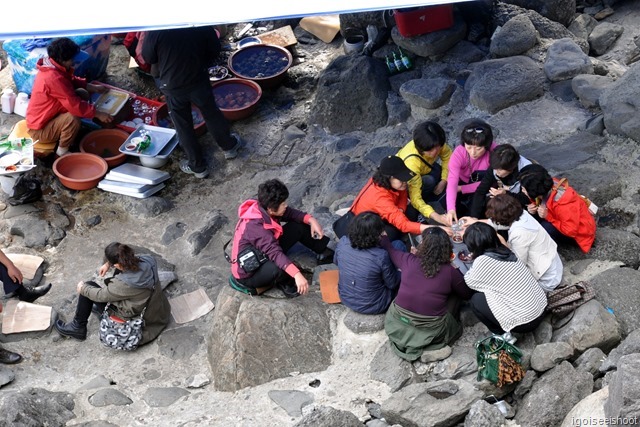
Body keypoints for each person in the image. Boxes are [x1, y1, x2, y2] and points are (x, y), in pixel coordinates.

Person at [142, 27, 244, 179]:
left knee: (183, 125)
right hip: (198, 78)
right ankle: (229, 146)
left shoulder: (157, 28)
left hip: (172, 85)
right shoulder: (198, 22)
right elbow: (214, 49)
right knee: (211, 113)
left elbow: (148, 57)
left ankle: (197, 167)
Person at [229, 179, 333, 298]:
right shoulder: (255, 227)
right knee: (278, 267)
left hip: (264, 250)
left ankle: (323, 251)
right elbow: (275, 254)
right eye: (283, 204)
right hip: (250, 273)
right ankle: (285, 282)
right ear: (271, 209)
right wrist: (297, 274)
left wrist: (311, 220)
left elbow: (291, 214)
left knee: (297, 227)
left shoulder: (265, 207)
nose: (286, 206)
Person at [383, 227, 474, 361]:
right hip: (431, 328)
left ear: (423, 245)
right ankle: (430, 347)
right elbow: (466, 294)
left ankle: (414, 344)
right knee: (456, 293)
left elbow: (391, 250)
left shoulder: (408, 260)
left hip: (398, 319)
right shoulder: (450, 271)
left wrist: (384, 237)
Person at [55, 242, 171, 344]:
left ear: (118, 264)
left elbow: (101, 295)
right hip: (157, 311)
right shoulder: (149, 261)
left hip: (140, 321)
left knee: (89, 286)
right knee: (97, 291)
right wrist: (108, 264)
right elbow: (129, 262)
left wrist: (82, 289)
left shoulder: (123, 284)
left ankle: (78, 327)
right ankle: (84, 320)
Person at [26, 37, 113, 157]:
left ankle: (69, 129)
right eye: (72, 59)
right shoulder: (52, 78)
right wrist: (98, 114)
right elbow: (74, 105)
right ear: (62, 60)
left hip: (49, 117)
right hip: (40, 131)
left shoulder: (52, 65)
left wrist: (93, 87)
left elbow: (70, 81)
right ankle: (62, 151)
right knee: (73, 117)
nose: (74, 62)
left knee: (82, 93)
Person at [462, 222, 547, 335]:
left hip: (526, 322)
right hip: (542, 307)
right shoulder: (506, 250)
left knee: (476, 300)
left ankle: (502, 334)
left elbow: (469, 281)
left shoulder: (482, 261)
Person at [470, 194, 563, 292]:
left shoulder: (519, 234)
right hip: (554, 266)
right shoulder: (522, 214)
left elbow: (517, 264)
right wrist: (475, 222)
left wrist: (499, 238)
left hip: (546, 280)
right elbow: (502, 224)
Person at [350, 156, 442, 242]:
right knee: (392, 234)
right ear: (389, 178)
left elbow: (403, 192)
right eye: (401, 180)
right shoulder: (380, 199)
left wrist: (401, 209)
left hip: (384, 212)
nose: (405, 182)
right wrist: (437, 228)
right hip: (367, 225)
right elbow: (404, 225)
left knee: (411, 211)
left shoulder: (387, 182)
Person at [519, 164, 596, 253]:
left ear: (533, 190)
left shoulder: (563, 203)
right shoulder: (549, 185)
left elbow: (570, 231)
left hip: (581, 235)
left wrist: (548, 216)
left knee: (545, 228)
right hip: (568, 221)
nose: (522, 191)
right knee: (534, 217)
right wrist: (534, 206)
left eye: (524, 189)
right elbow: (539, 198)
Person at [334, 212, 401, 314]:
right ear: (377, 234)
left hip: (346, 298)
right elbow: (392, 283)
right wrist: (402, 271)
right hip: (375, 305)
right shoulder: (381, 256)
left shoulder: (343, 242)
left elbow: (336, 261)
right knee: (398, 245)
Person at [397, 121, 452, 226]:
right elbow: (415, 197)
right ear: (421, 148)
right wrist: (436, 216)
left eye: (438, 147)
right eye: (430, 150)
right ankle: (424, 208)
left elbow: (447, 156)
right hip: (408, 183)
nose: (436, 152)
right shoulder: (412, 163)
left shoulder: (436, 142)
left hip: (425, 168)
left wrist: (444, 180)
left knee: (439, 173)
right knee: (429, 182)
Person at [445, 119, 498, 224]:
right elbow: (452, 182)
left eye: (478, 149)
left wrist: (463, 189)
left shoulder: (494, 151)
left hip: (484, 183)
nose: (473, 153)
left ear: (487, 146)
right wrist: (450, 209)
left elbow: (492, 181)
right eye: (469, 147)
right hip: (463, 180)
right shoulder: (458, 154)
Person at [468, 144, 532, 219]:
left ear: (511, 168)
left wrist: (506, 194)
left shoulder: (527, 171)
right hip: (505, 192)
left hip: (521, 203)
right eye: (495, 168)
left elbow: (527, 199)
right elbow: (481, 191)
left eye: (500, 170)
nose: (496, 172)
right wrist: (474, 217)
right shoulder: (496, 164)